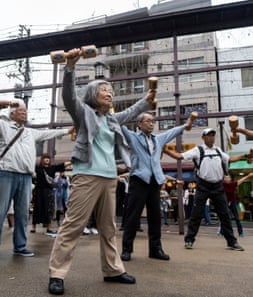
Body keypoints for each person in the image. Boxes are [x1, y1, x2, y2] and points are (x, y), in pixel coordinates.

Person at [47, 48, 156, 295]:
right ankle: (57, 273)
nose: (110, 94)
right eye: (105, 91)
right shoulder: (83, 112)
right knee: (73, 225)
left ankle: (113, 270)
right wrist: (70, 67)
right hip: (86, 175)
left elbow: (131, 113)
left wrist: (146, 99)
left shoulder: (112, 120)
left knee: (108, 228)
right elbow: (68, 97)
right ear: (93, 95)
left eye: (111, 92)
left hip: (109, 177)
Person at [0, 99, 71, 261]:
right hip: (6, 174)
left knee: (23, 214)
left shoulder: (30, 132)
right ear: (12, 114)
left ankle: (20, 246)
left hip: (26, 177)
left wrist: (67, 131)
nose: (24, 113)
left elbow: (49, 133)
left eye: (25, 111)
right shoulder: (3, 126)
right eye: (21, 111)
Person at [120, 112, 193, 262]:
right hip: (139, 180)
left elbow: (171, 132)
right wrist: (113, 112)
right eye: (148, 121)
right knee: (132, 217)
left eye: (153, 121)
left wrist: (185, 125)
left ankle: (155, 249)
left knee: (155, 217)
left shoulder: (157, 139)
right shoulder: (133, 137)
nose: (151, 124)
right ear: (139, 124)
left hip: (154, 181)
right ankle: (127, 249)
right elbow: (119, 125)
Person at [163, 128, 247, 251]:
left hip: (218, 186)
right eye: (209, 135)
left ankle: (232, 242)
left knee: (225, 215)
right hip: (203, 186)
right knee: (196, 215)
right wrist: (165, 150)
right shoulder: (198, 150)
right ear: (203, 137)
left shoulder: (218, 150)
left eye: (213, 135)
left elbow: (230, 159)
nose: (211, 137)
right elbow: (180, 156)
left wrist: (245, 155)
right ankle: (189, 240)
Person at [31, 154, 70, 236]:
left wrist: (72, 161)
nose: (47, 160)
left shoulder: (52, 168)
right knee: (37, 209)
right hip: (39, 191)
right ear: (42, 160)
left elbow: (62, 165)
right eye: (45, 158)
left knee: (48, 209)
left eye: (48, 158)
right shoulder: (38, 168)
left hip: (48, 191)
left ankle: (48, 228)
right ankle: (33, 227)